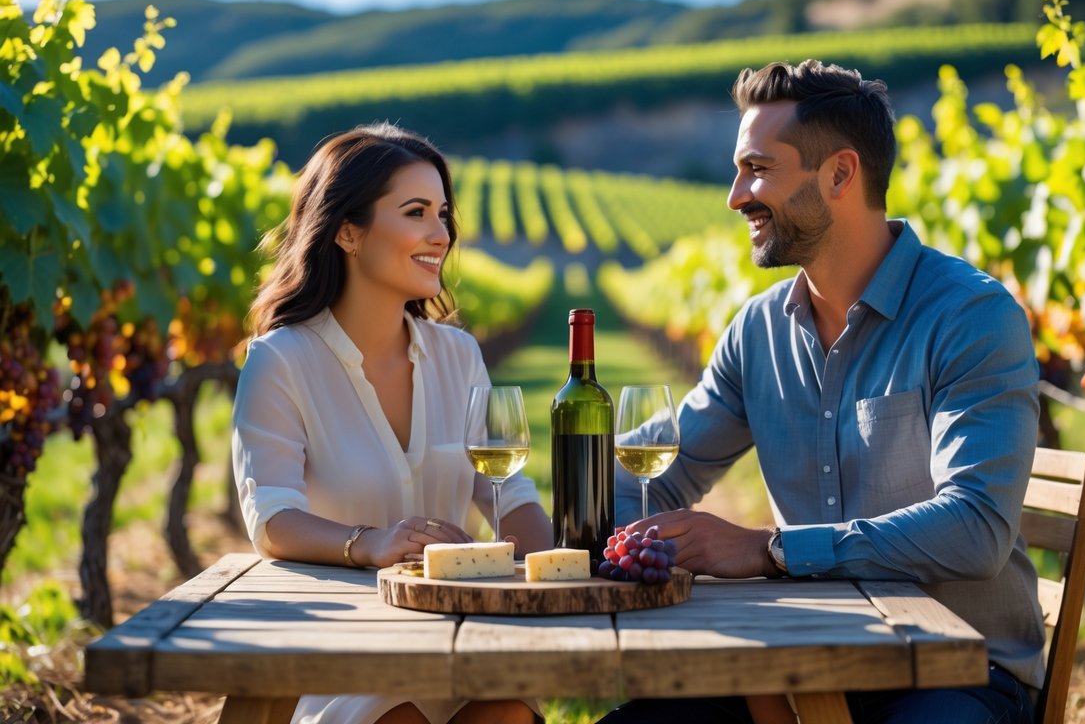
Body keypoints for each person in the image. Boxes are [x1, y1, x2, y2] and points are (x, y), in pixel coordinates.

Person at [603, 60, 1044, 724]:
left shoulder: (968, 316)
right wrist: (556, 525)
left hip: (957, 672)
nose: (734, 195)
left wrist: (770, 549)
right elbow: (653, 474)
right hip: (801, 660)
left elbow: (974, 527)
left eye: (757, 168)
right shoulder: (757, 332)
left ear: (839, 174)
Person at [231, 122, 550, 724]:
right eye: (416, 213)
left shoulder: (459, 357)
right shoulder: (281, 362)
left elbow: (509, 493)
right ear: (348, 232)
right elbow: (271, 519)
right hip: (344, 653)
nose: (442, 234)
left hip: (459, 646)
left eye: (444, 214)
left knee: (508, 710)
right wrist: (367, 543)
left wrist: (562, 569)